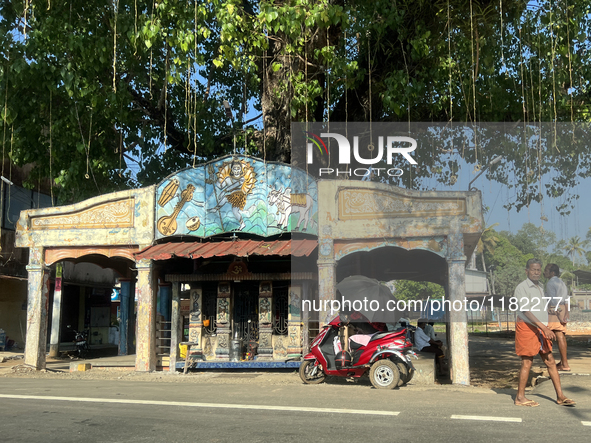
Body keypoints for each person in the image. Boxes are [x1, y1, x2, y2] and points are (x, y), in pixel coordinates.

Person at [513, 258, 575, 407]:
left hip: (541, 329)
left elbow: (542, 307)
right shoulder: (521, 288)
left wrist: (558, 311)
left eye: (538, 270)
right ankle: (520, 397)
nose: (536, 272)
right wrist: (545, 328)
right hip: (527, 327)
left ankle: (560, 396)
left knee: (551, 361)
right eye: (533, 270)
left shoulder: (540, 286)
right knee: (527, 362)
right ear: (527, 271)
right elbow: (526, 311)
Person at [544, 263, 570, 371]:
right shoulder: (561, 282)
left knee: (558, 335)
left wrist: (559, 314)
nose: (544, 272)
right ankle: (563, 362)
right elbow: (567, 297)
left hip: (556, 309)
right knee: (561, 335)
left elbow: (553, 301)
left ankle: (564, 364)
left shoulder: (550, 283)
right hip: (563, 307)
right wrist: (566, 312)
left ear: (552, 272)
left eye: (546, 270)